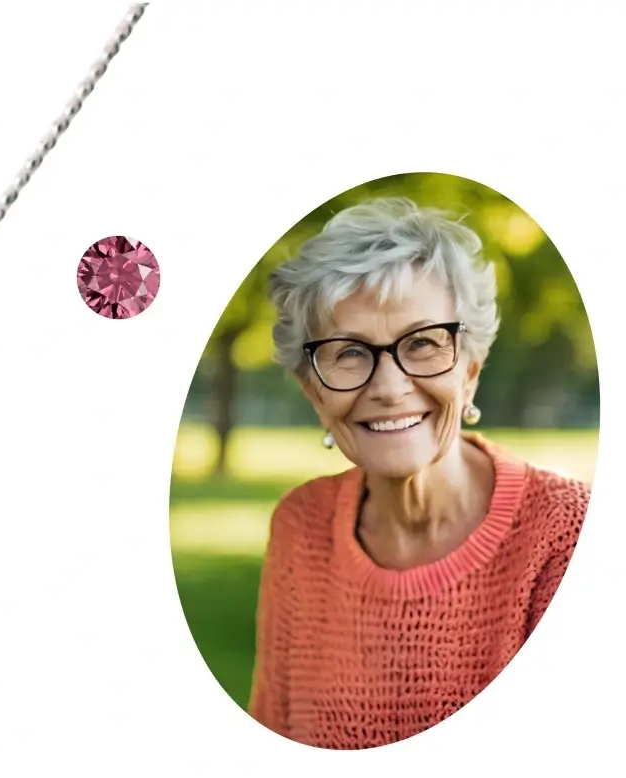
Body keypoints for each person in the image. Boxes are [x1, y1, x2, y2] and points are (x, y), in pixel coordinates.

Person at [248, 196, 590, 749]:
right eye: (349, 352)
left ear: (470, 373)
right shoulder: (300, 528)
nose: (388, 387)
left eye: (424, 343)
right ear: (313, 392)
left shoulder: (566, 534)